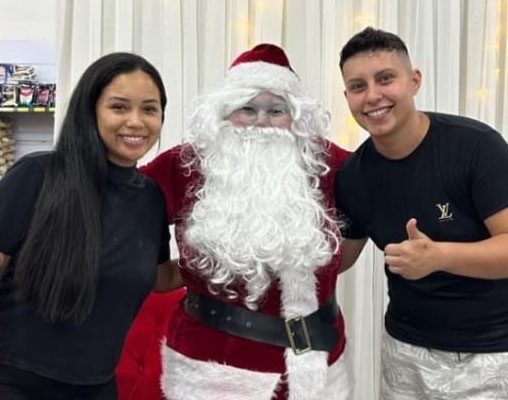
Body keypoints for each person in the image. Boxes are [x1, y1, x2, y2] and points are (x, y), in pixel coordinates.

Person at [140, 43, 353, 400]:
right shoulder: (186, 164)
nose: (261, 121)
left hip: (318, 363)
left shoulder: (330, 164)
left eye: (277, 110)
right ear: (225, 113)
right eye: (247, 108)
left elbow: (386, 188)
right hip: (213, 366)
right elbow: (123, 198)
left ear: (296, 117)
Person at [335, 26, 508, 400]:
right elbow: (339, 259)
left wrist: (439, 256)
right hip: (404, 351)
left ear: (414, 81)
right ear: (347, 97)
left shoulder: (476, 146)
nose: (373, 96)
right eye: (358, 86)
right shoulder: (352, 176)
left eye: (385, 79)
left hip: (491, 353)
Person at [0, 52, 181, 400]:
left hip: (97, 387)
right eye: (119, 107)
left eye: (149, 109)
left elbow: (160, 277)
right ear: (91, 110)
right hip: (14, 382)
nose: (136, 121)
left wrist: (221, 262)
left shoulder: (151, 197)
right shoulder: (38, 175)